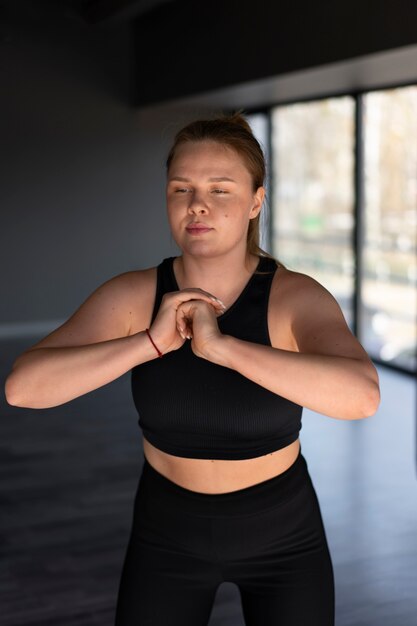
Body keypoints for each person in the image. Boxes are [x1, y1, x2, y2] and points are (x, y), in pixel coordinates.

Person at [5, 112, 380, 626]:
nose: (197, 203)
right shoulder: (135, 295)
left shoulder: (294, 297)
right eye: (181, 188)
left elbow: (362, 396)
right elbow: (24, 388)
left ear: (255, 202)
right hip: (166, 535)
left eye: (220, 190)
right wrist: (149, 343)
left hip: (284, 536)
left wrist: (223, 348)